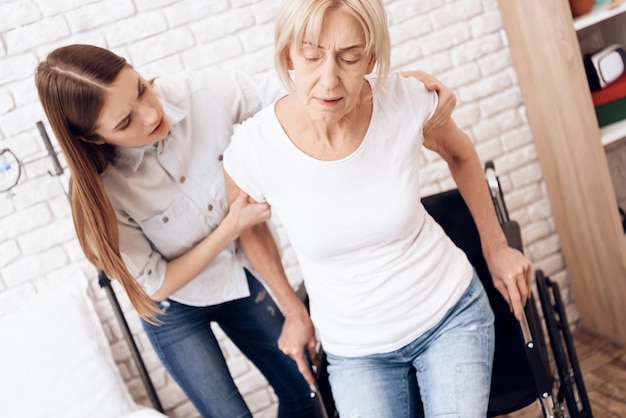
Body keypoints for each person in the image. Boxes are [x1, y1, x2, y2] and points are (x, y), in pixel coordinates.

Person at [34, 43, 455, 418]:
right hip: (173, 309)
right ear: (92, 139)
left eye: (142, 88)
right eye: (125, 122)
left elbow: (302, 99)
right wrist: (231, 225)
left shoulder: (202, 93)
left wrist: (395, 90)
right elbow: (157, 284)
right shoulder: (99, 191)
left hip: (235, 276)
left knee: (306, 391)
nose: (150, 114)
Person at [222, 0, 534, 416]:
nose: (328, 80)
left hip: (449, 314)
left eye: (349, 58)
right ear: (288, 56)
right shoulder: (254, 148)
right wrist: (292, 310)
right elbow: (248, 226)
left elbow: (461, 155)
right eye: (312, 56)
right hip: (355, 351)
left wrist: (496, 247)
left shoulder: (404, 99)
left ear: (370, 57)